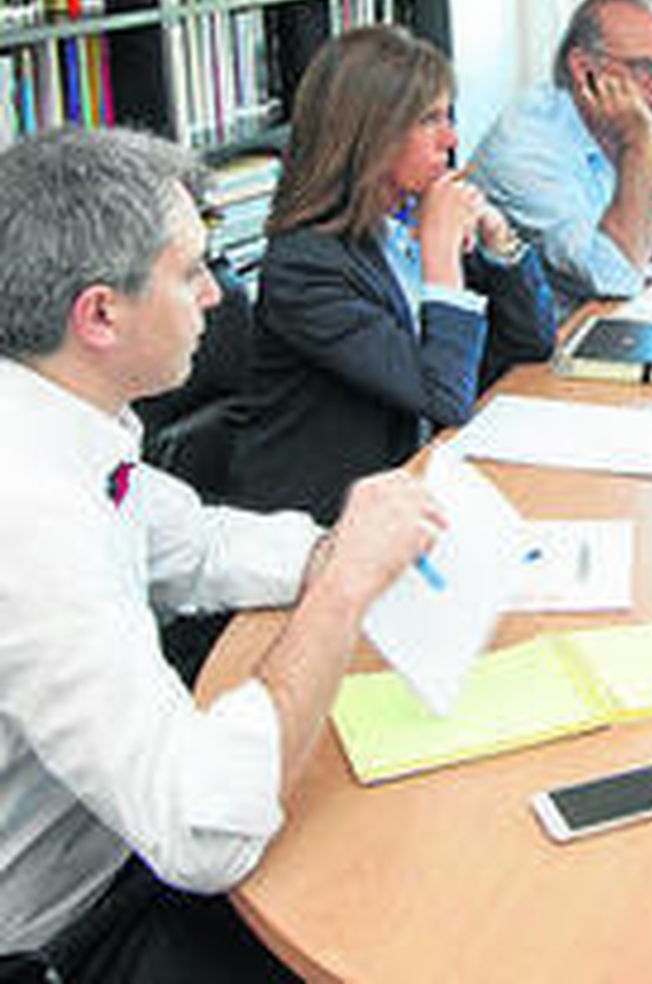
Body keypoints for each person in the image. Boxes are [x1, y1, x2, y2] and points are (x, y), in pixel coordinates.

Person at [0, 126, 443, 980]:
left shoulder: (65, 421)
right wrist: (343, 587)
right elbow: (201, 829)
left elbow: (197, 543)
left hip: (117, 845)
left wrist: (338, 547)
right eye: (191, 269)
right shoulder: (31, 518)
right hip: (66, 932)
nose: (216, 295)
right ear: (99, 314)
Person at [232, 25, 557, 522]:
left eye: (448, 116)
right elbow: (444, 399)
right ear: (369, 135)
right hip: (323, 528)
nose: (451, 139)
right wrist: (441, 255)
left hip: (417, 488)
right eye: (430, 120)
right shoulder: (304, 266)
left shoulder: (405, 223)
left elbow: (533, 342)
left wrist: (497, 236)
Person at [468, 0, 652, 315]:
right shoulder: (524, 148)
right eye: (643, 67)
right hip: (548, 345)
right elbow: (614, 275)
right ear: (584, 70)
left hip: (628, 315)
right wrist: (637, 144)